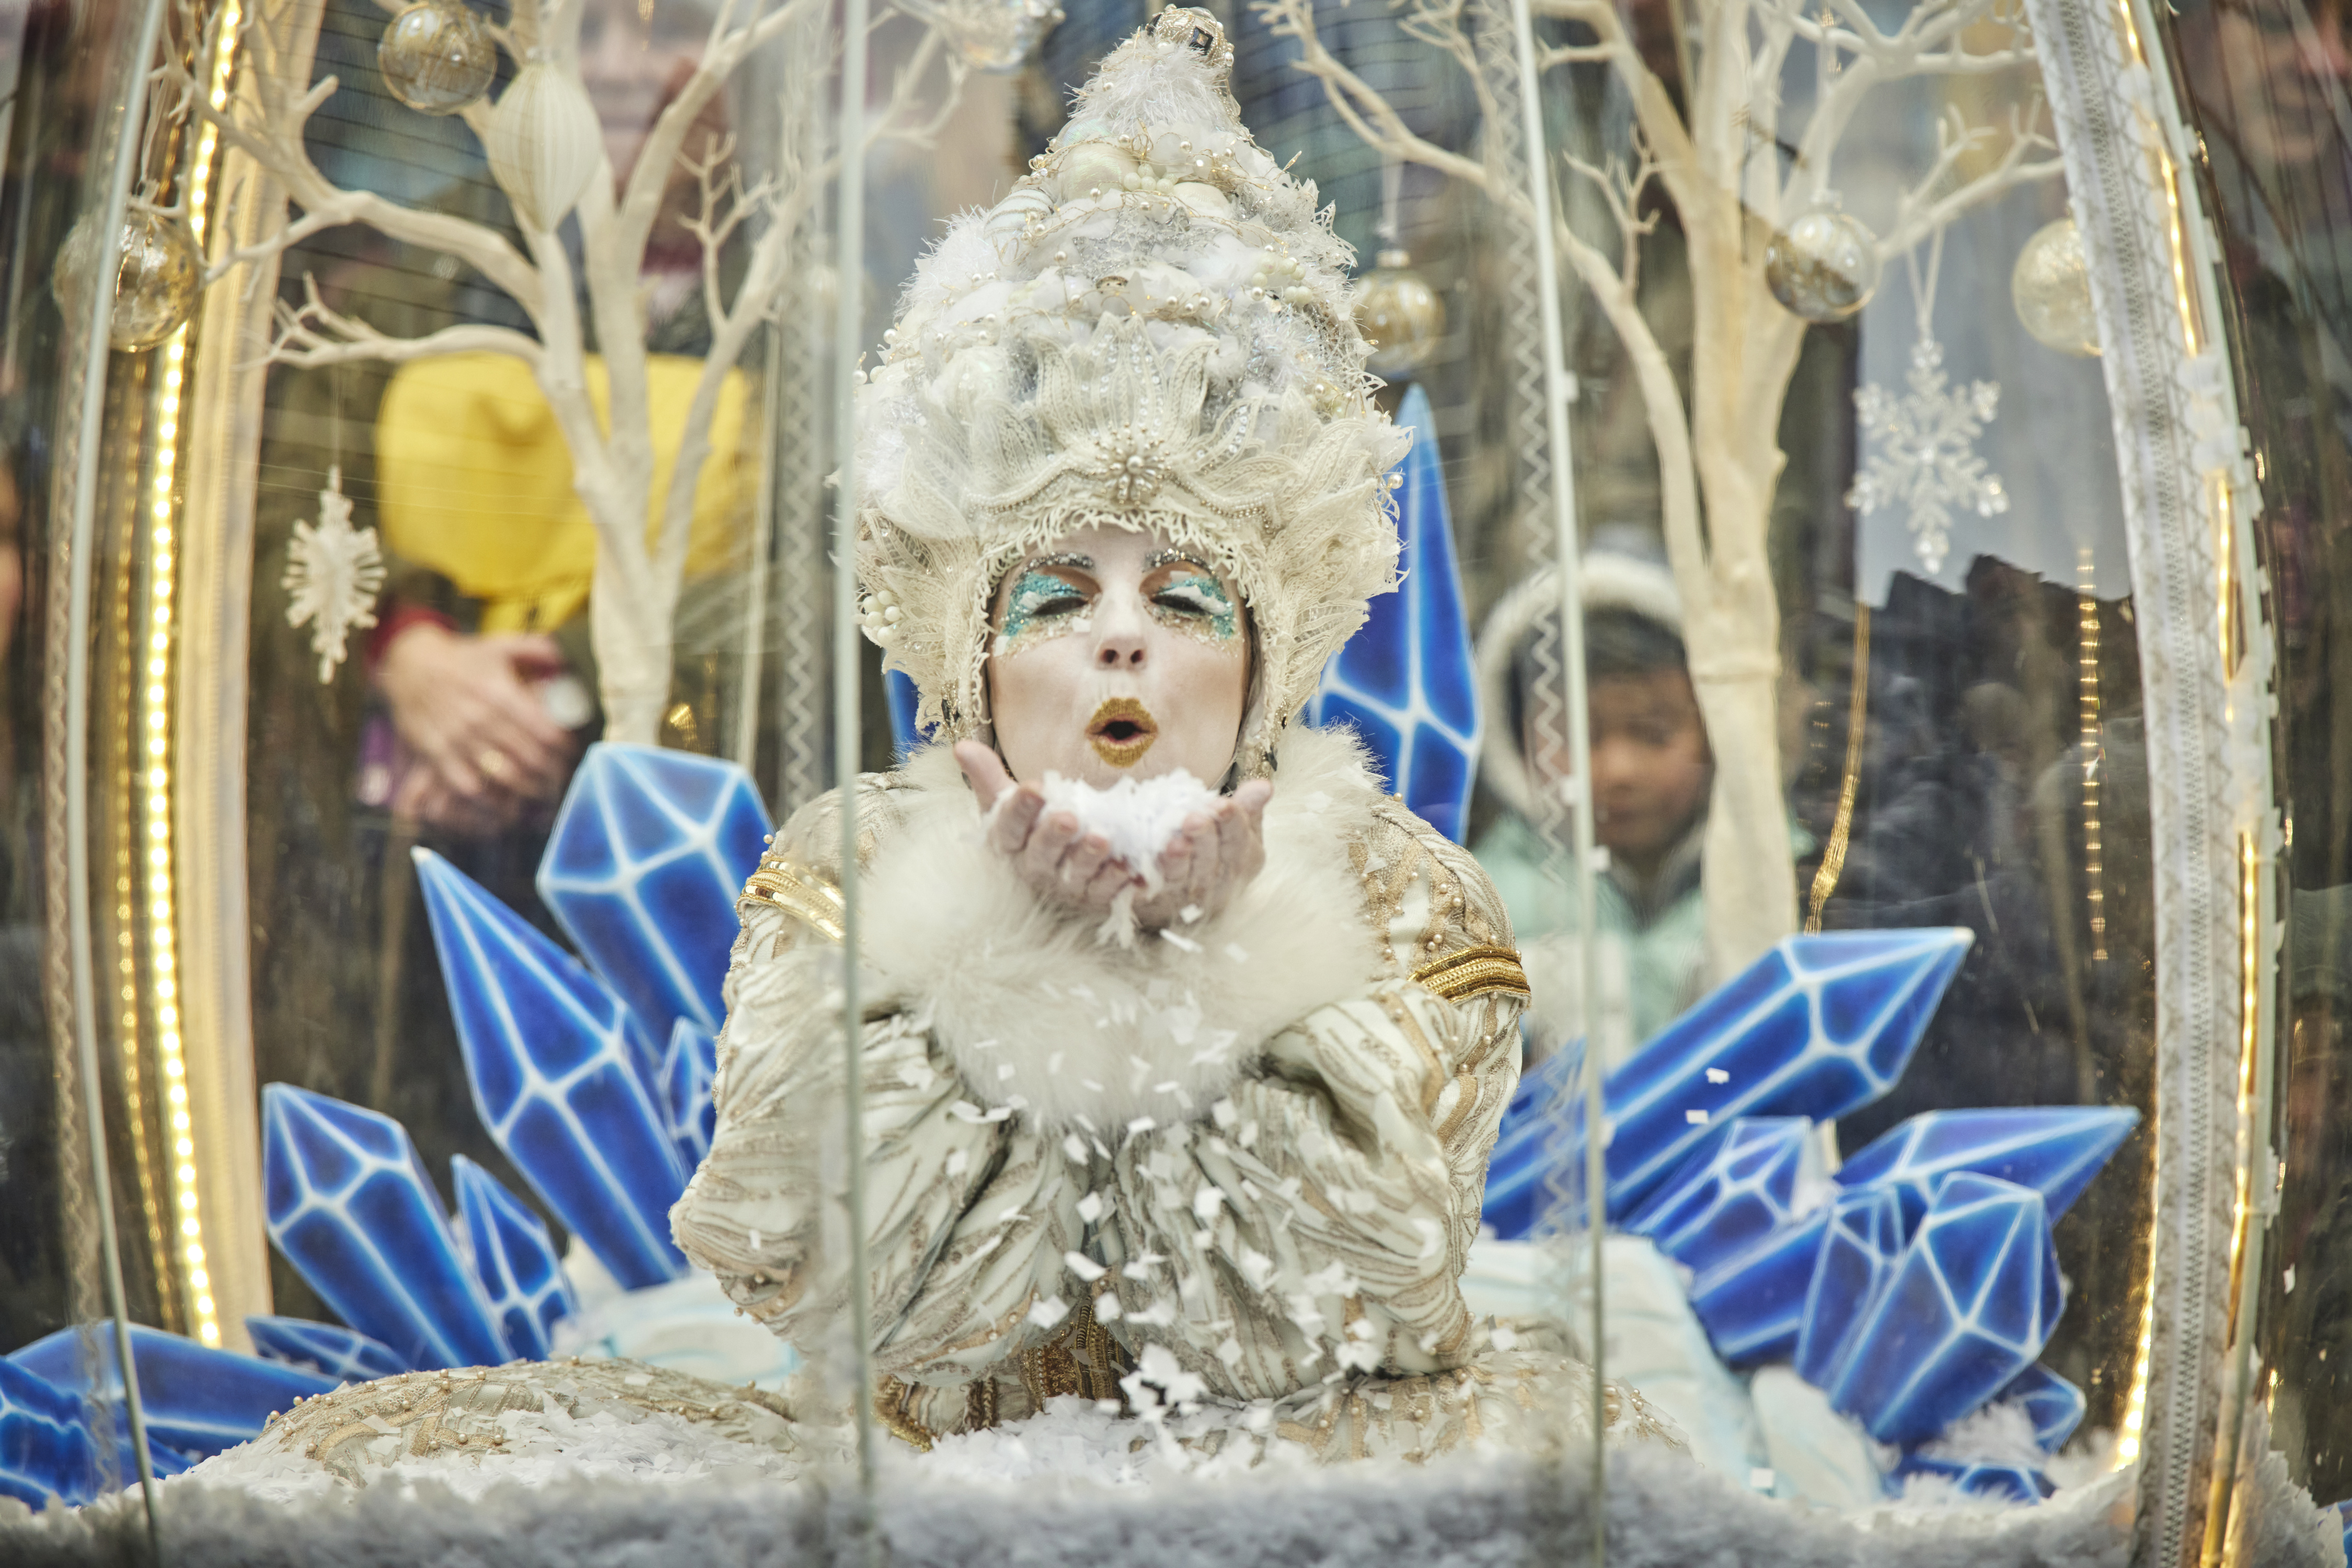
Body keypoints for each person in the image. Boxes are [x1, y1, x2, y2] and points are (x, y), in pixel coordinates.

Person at [210, 9, 1678, 1478]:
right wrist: (999, 960)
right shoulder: (850, 876)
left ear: (1263, 665)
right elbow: (872, 1312)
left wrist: (1224, 976)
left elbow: (1328, 1322)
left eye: (1178, 596)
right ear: (967, 663)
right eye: (1055, 594)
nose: (1120, 638)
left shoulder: (1398, 903)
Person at [1471, 550, 1712, 1067]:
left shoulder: (1780, 877)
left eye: (1653, 732)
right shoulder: (1481, 910)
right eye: (1577, 736)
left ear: (1714, 732)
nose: (1620, 769)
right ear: (1516, 738)